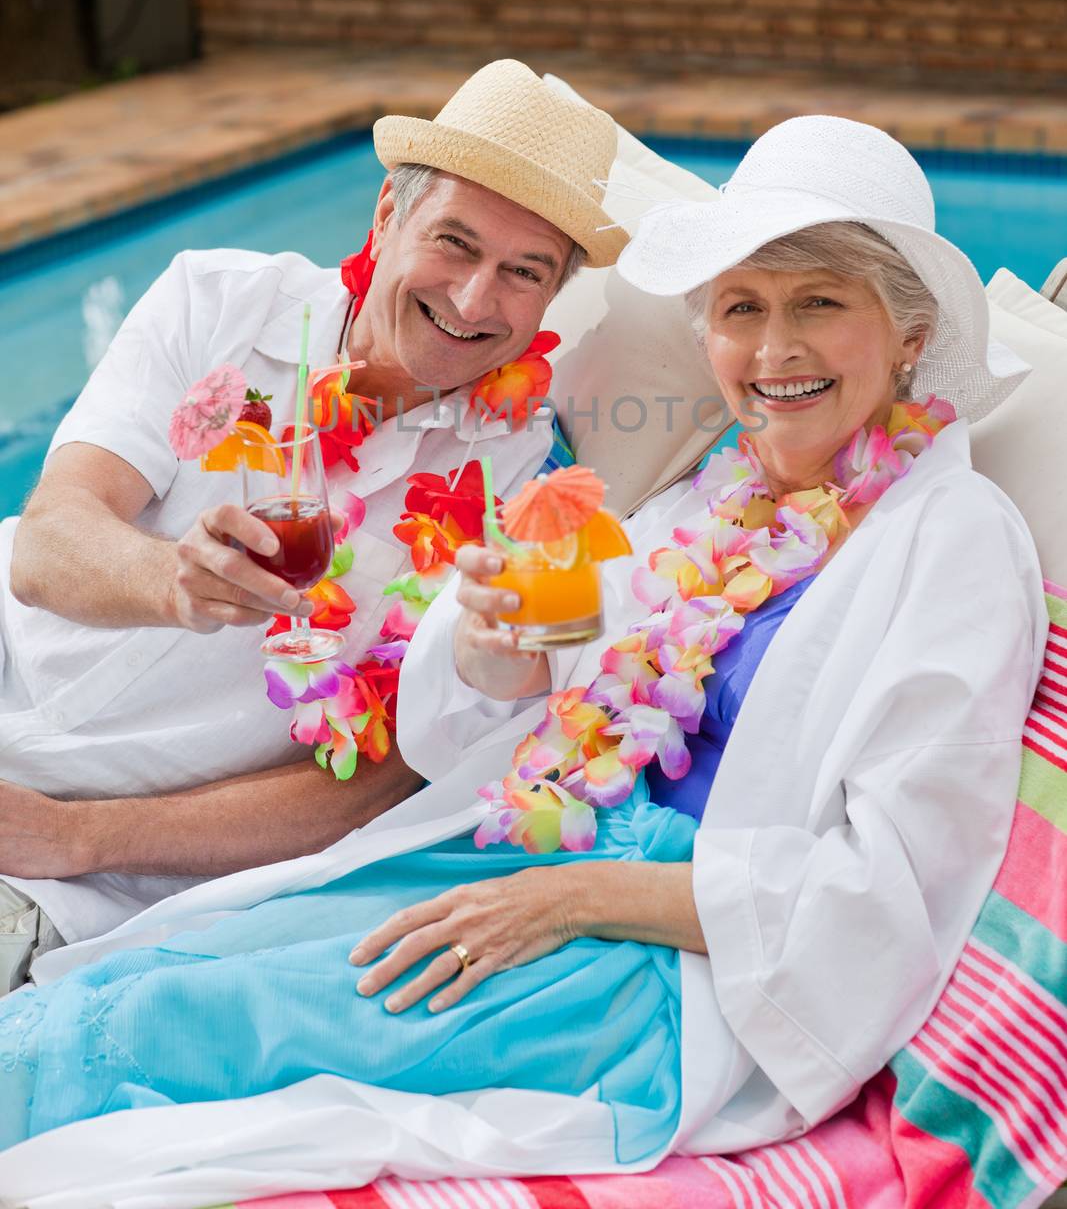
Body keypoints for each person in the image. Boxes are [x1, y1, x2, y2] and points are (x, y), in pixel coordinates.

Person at [0, 116, 1045, 1207]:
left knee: (153, 1029)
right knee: (153, 973)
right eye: (741, 307)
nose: (773, 351)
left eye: (817, 303)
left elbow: (883, 893)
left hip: (661, 963)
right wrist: (491, 649)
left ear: (908, 333)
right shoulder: (702, 507)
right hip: (515, 858)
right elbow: (471, 726)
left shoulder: (953, 544)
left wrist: (573, 896)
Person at [0, 59, 627, 991]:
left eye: (522, 273)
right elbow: (52, 538)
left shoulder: (520, 487)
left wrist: (77, 836)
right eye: (454, 243)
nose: (471, 298)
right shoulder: (214, 299)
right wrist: (173, 579)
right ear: (386, 214)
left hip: (89, 871)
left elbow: (378, 778)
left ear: (549, 300)